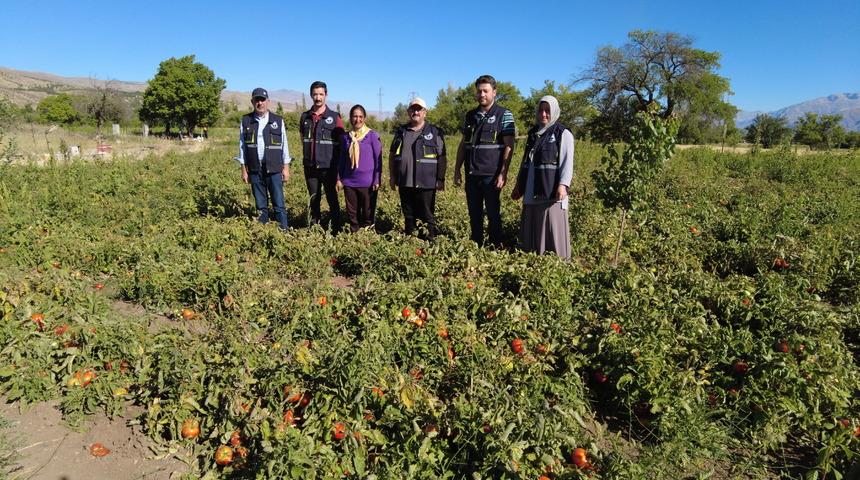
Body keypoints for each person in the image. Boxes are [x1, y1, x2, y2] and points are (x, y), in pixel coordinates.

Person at [454, 74, 516, 247]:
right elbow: (463, 144)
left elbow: (509, 146)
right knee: (474, 213)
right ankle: (476, 246)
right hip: (472, 173)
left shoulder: (504, 114)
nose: (482, 94)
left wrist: (503, 173)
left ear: (494, 92)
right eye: (479, 91)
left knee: (493, 213)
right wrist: (457, 169)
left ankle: (496, 246)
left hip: (491, 175)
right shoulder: (470, 115)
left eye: (485, 91)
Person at [511, 96, 573, 260]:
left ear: (555, 111)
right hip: (532, 186)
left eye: (547, 110)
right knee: (531, 221)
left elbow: (567, 161)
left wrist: (563, 185)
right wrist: (519, 185)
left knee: (552, 222)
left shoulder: (562, 133)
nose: (543, 114)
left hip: (550, 189)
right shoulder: (533, 133)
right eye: (541, 110)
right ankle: (532, 257)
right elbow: (525, 161)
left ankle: (556, 262)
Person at [389, 97, 446, 240]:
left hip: (427, 183)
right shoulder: (400, 132)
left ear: (425, 112)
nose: (416, 112)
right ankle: (411, 244)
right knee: (408, 216)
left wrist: (440, 179)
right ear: (408, 112)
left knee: (427, 216)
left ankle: (429, 243)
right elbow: (392, 155)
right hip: (405, 182)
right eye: (413, 109)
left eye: (419, 109)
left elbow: (442, 157)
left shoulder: (435, 132)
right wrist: (393, 177)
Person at [238, 87, 290, 230]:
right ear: (252, 102)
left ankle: (284, 233)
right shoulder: (246, 120)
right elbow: (242, 147)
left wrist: (286, 168)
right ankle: (263, 233)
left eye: (262, 100)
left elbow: (284, 145)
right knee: (261, 206)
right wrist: (244, 170)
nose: (260, 103)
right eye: (257, 100)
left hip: (274, 169)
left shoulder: (278, 120)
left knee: (279, 204)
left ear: (268, 101)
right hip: (255, 169)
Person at [299, 81, 343, 230]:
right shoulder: (305, 117)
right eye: (315, 94)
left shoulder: (335, 117)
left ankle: (336, 229)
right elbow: (303, 139)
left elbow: (341, 145)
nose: (318, 98)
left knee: (332, 199)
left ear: (326, 95)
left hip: (329, 167)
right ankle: (315, 229)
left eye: (321, 94)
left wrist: (339, 171)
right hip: (310, 166)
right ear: (311, 95)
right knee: (314, 199)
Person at [336, 104, 382, 232]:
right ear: (350, 118)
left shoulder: (372, 136)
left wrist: (377, 179)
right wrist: (339, 178)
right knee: (352, 214)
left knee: (368, 214)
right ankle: (354, 235)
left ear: (364, 118)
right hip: (349, 181)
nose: (358, 119)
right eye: (355, 116)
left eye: (360, 116)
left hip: (368, 182)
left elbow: (378, 159)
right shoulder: (345, 137)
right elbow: (342, 160)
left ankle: (367, 236)